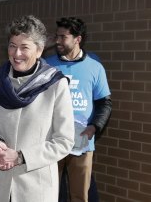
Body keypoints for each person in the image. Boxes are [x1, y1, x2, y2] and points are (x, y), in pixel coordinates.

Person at [0, 15, 75, 202]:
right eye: (12, 45)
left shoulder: (56, 84)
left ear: (39, 50)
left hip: (36, 189)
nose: (16, 54)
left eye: (24, 47)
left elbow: (64, 141)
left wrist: (20, 157)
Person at [45, 17, 112, 202]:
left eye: (63, 37)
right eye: (56, 36)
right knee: (48, 195)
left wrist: (95, 127)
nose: (58, 41)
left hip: (81, 143)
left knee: (80, 196)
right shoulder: (47, 64)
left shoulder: (95, 67)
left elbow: (105, 103)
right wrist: (43, 46)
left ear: (78, 39)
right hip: (52, 140)